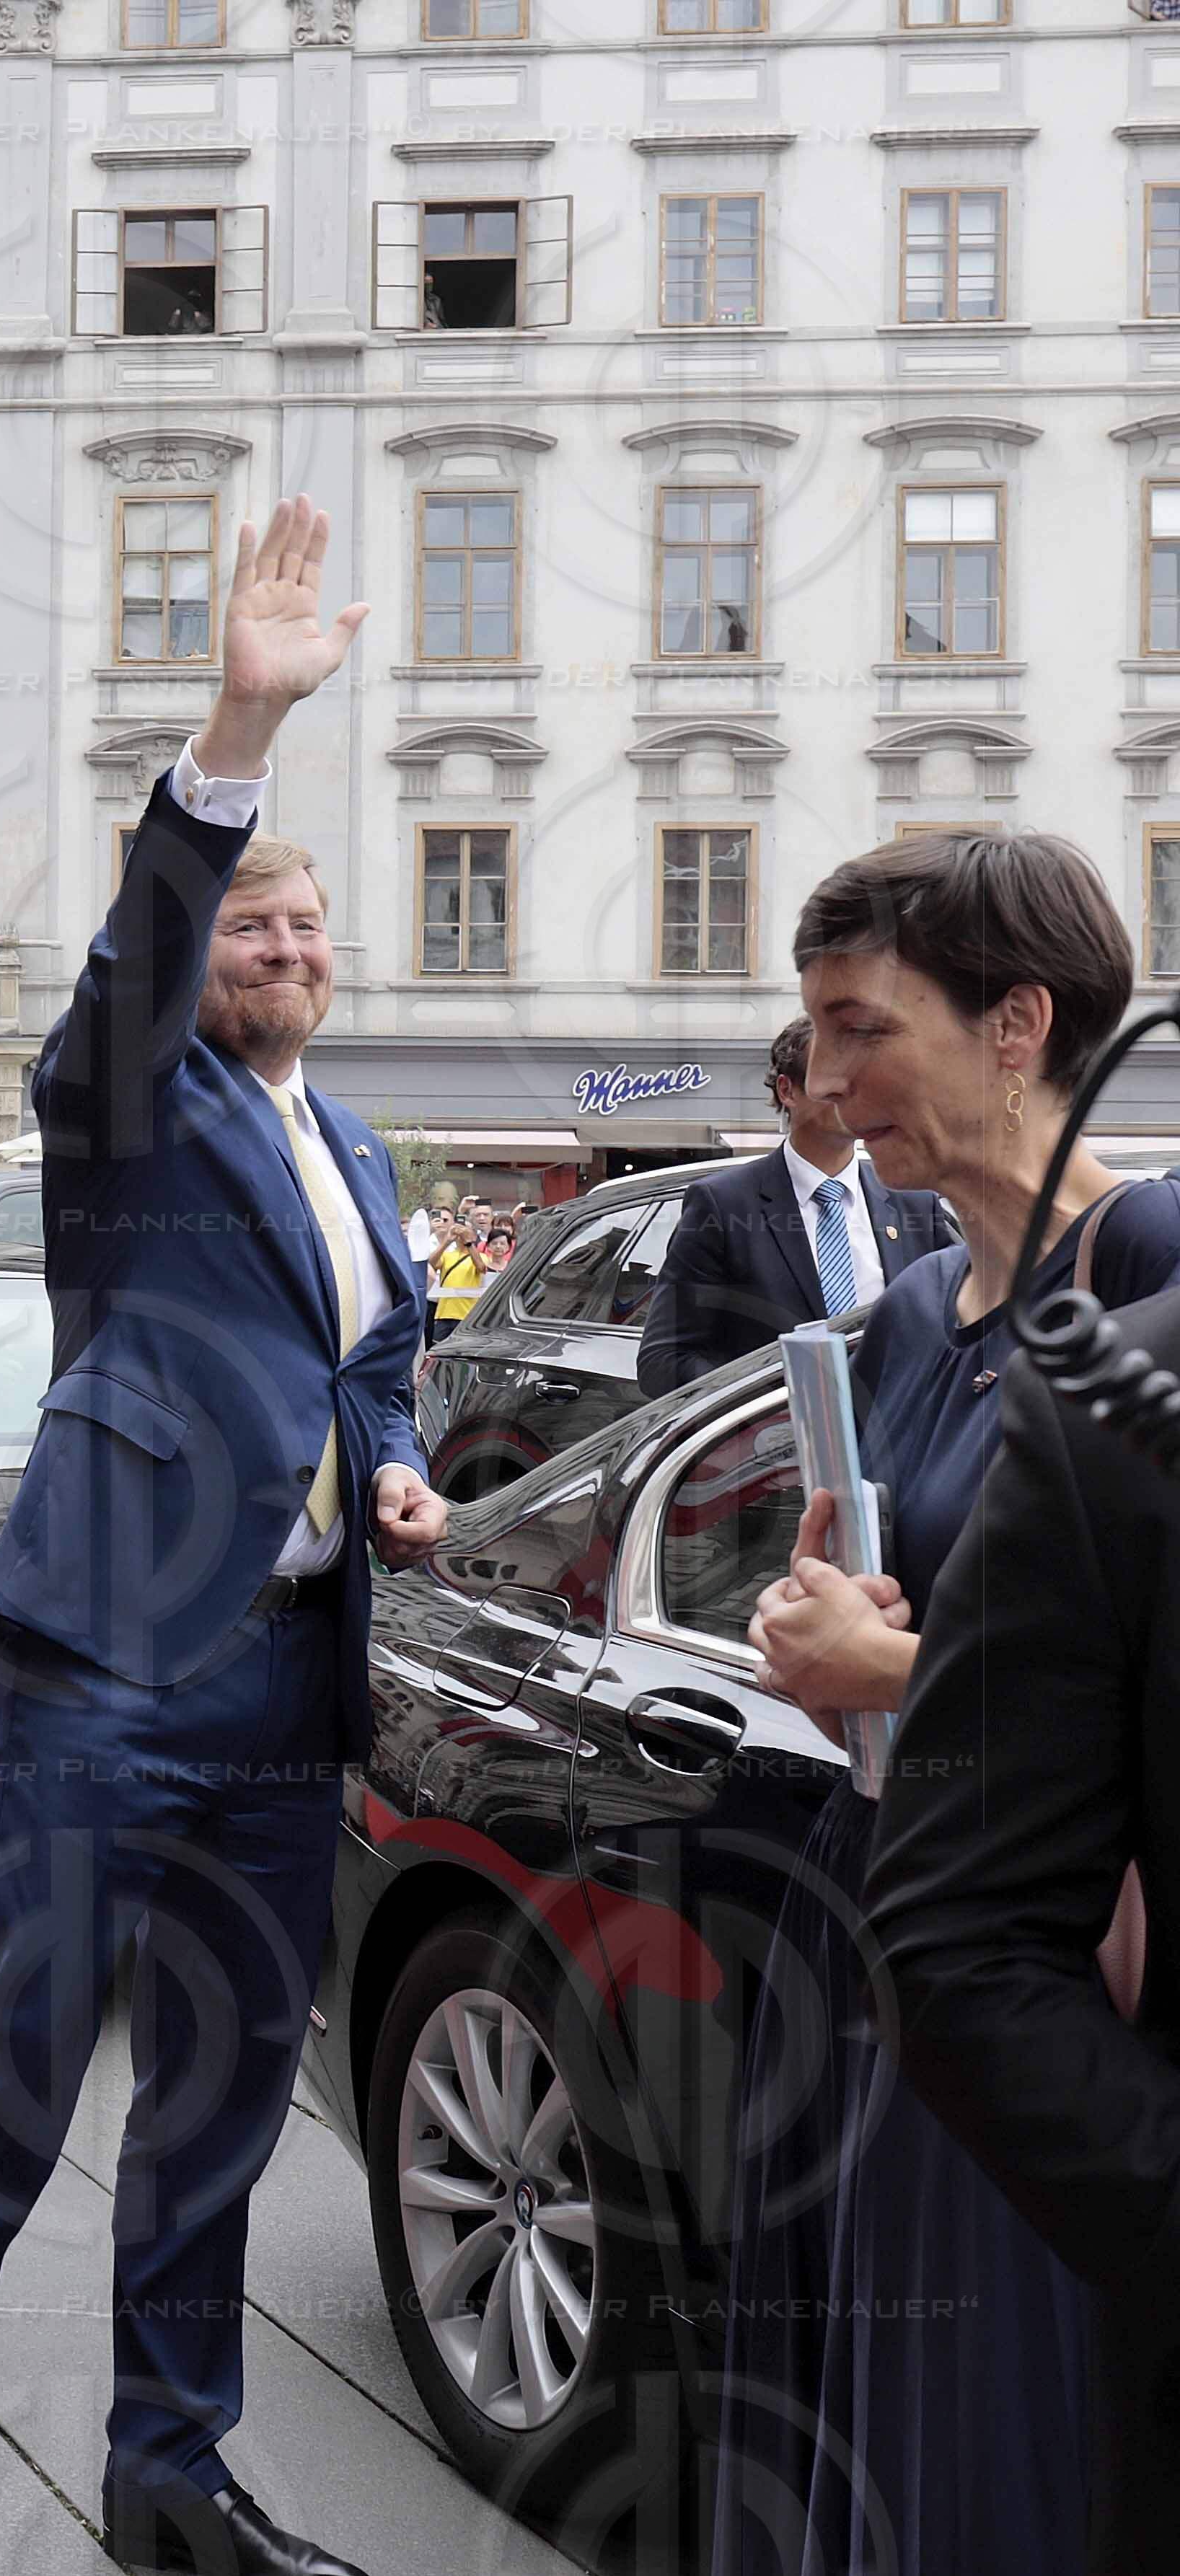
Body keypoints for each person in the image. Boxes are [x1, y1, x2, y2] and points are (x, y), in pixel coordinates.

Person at [0, 501, 439, 2576]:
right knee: (6, 2080)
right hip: (114, 1659)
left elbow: (376, 1358)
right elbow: (134, 967)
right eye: (247, 927)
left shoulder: (354, 1148)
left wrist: (390, 1463)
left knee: (219, 2101)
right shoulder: (129, 1100)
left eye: (302, 928)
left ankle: (171, 2477)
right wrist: (237, 729)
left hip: (290, 1680)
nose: (280, 951)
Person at [705, 829, 1179, 2576]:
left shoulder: (1150, 1268)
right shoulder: (906, 1317)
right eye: (811, 1031)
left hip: (1048, 1969)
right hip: (874, 1927)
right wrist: (808, 1622)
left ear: (1016, 1026)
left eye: (861, 1028)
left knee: (1009, 2445)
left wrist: (892, 1665)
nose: (821, 1082)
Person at [868, 1232, 1180, 2576]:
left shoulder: (1139, 1246)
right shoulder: (1098, 1388)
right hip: (1024, 1913)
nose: (840, 1119)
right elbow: (963, 1937)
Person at [638, 1015, 959, 1398]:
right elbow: (663, 1360)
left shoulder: (915, 1201)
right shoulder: (723, 1205)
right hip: (777, 1432)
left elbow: (967, 1327)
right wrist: (773, 1400)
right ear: (788, 1090)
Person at [423, 1207, 487, 1346]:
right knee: (438, 1350)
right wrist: (447, 1241)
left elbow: (481, 1268)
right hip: (444, 1314)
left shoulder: (481, 1256)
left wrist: (469, 1243)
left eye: (465, 1231)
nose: (461, 1234)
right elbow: (431, 1264)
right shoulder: (447, 1255)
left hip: (468, 1315)